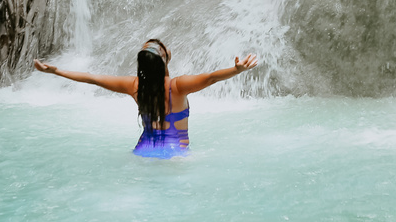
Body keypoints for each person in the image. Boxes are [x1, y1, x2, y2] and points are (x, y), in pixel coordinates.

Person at [32, 39, 258, 158]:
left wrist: (57, 71)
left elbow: (93, 79)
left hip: (142, 152)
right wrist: (236, 70)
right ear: (165, 58)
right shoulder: (178, 86)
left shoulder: (134, 86)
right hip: (175, 155)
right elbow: (210, 78)